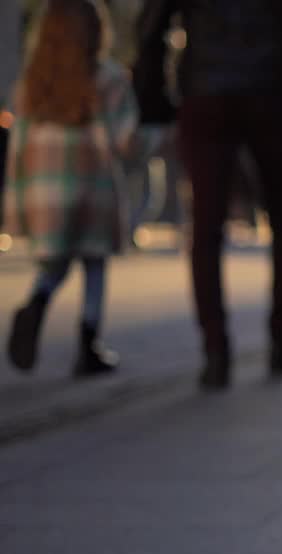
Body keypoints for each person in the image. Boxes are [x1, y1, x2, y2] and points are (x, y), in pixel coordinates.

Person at [134, 0, 282, 390]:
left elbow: (151, 26)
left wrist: (155, 101)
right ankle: (281, 341)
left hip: (205, 92)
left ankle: (215, 351)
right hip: (269, 90)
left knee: (206, 226)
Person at [5, 0, 149, 377]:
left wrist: (17, 202)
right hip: (93, 186)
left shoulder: (32, 83)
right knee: (93, 265)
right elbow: (126, 140)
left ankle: (37, 301)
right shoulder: (106, 79)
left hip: (44, 189)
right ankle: (88, 344)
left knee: (54, 263)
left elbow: (17, 146)